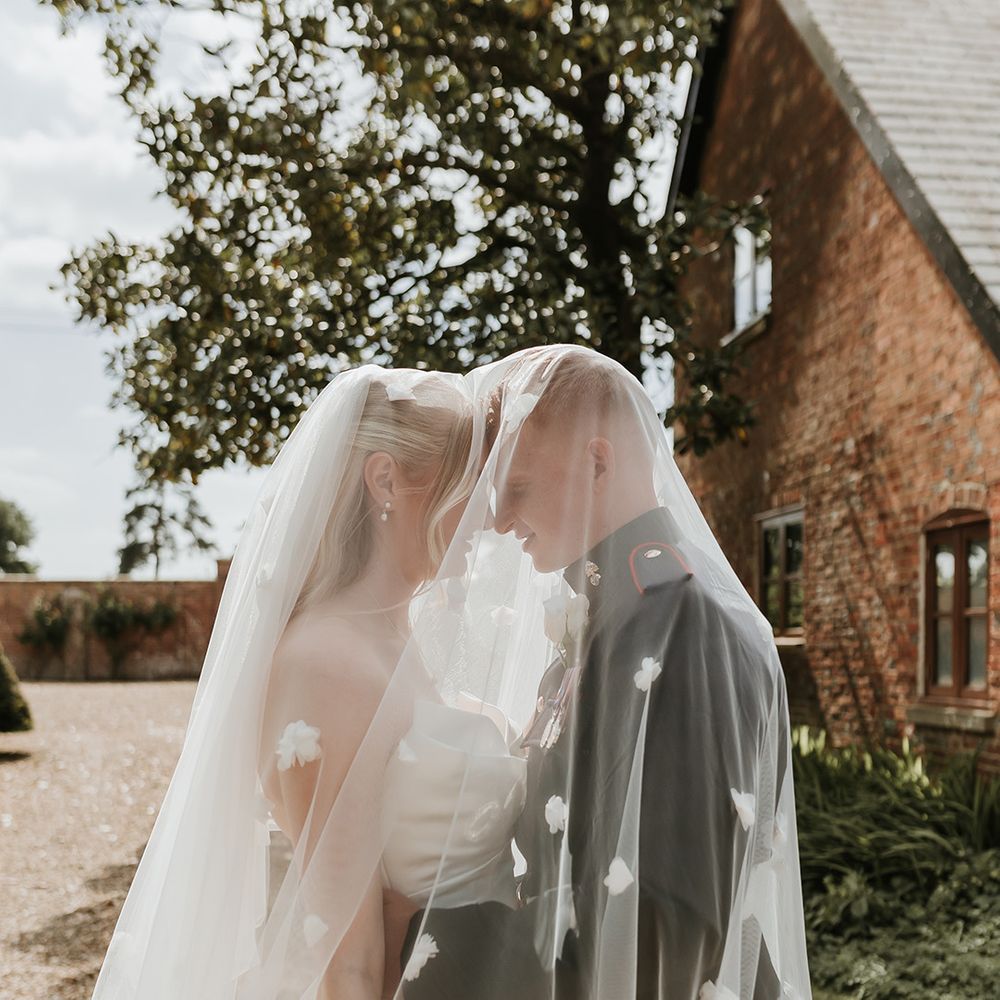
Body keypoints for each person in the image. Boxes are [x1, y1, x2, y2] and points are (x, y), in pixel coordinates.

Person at [89, 366, 530, 1000]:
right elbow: (346, 957)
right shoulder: (327, 661)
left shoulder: (397, 638)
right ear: (386, 480)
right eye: (471, 486)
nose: (488, 520)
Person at [398, 346, 813, 999]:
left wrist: (428, 941)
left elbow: (669, 941)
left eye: (519, 489)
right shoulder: (608, 617)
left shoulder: (690, 629)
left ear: (598, 463)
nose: (500, 520)